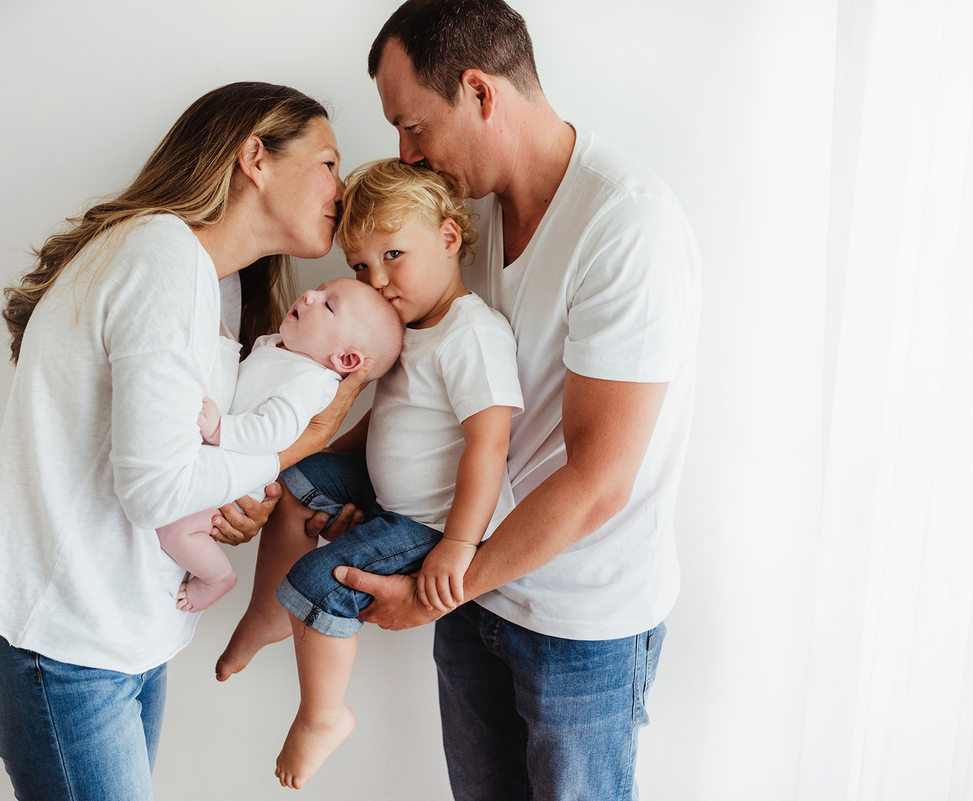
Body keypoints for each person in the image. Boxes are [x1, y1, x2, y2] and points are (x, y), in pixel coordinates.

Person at [319, 2, 701, 799]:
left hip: (580, 629)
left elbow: (599, 481)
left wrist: (439, 588)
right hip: (470, 596)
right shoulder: (458, 221)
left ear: (480, 93)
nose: (405, 155)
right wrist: (341, 484)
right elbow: (421, 402)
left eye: (413, 126)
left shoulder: (624, 223)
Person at [0, 82, 370, 801]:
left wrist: (235, 503)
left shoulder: (219, 284)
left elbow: (182, 463)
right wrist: (304, 441)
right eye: (330, 162)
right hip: (64, 650)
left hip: (121, 636)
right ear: (255, 157)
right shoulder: (162, 257)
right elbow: (153, 488)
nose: (343, 186)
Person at [217, 158, 524, 789]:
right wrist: (302, 459)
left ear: (448, 237)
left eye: (392, 255)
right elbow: (384, 432)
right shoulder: (407, 331)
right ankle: (270, 610)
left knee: (321, 581)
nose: (376, 280)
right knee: (303, 482)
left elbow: (488, 447)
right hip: (392, 496)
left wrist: (459, 547)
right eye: (361, 267)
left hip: (435, 522)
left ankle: (323, 714)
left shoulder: (472, 335)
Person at [156, 277, 403, 612]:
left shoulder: (311, 381)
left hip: (237, 489)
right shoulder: (278, 347)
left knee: (175, 529)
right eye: (318, 288)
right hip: (220, 462)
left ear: (345, 360)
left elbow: (274, 432)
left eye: (328, 304)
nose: (310, 295)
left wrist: (219, 429)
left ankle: (217, 578)